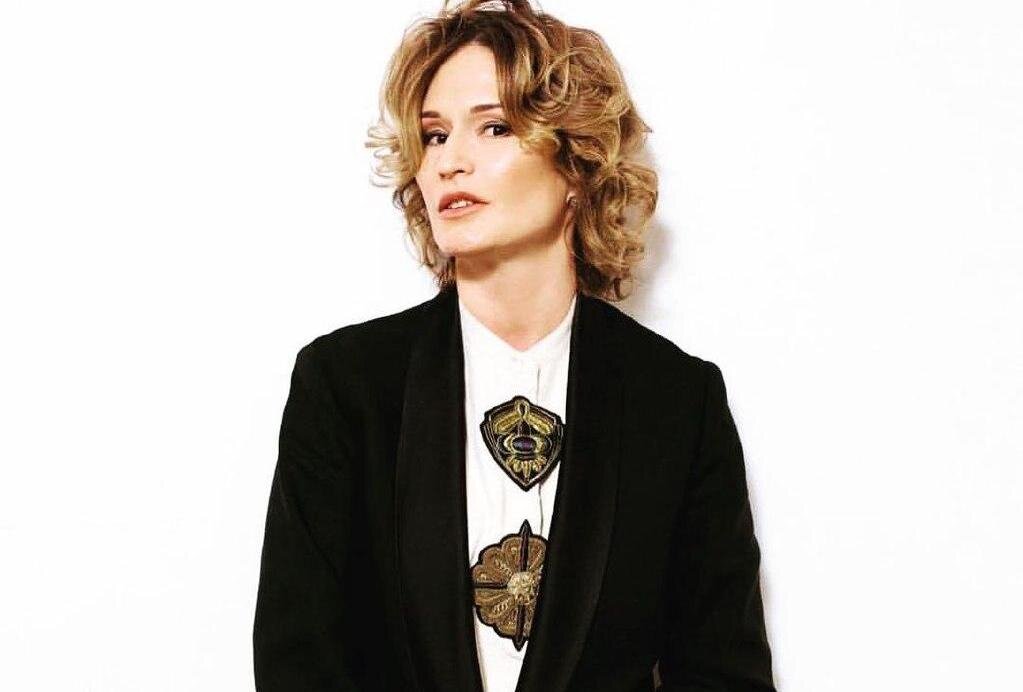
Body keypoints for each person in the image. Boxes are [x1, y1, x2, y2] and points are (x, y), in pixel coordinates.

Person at [252, 1, 776, 690]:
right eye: (434, 136)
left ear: (576, 161)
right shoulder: (347, 385)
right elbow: (298, 664)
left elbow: (722, 671)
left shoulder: (677, 401)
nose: (449, 162)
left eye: (494, 127)